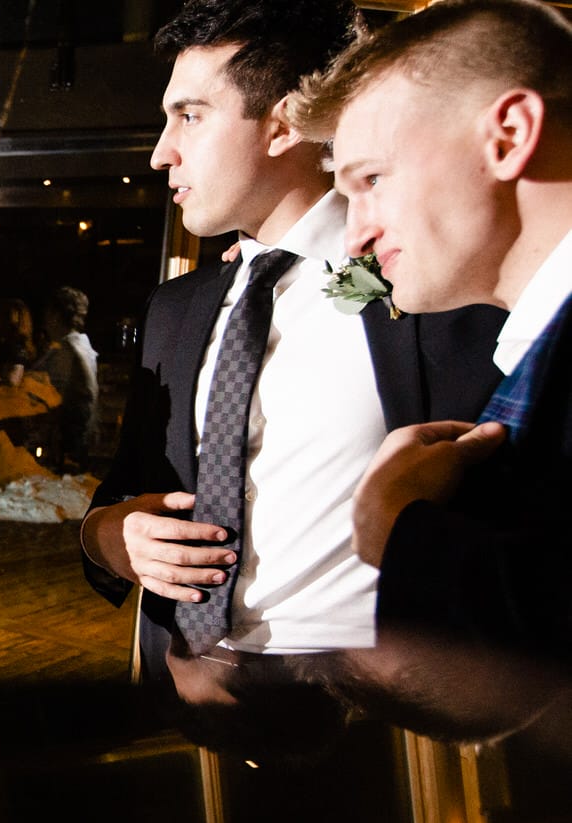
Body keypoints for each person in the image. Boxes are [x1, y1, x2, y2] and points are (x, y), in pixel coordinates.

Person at [79, 0, 506, 736]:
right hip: (183, 693)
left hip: (378, 727)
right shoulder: (175, 311)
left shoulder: (436, 286)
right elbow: (123, 493)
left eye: (189, 117)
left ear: (282, 124)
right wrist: (110, 537)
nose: (160, 152)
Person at [287, 0, 572, 692]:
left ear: (508, 135)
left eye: (372, 180)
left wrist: (400, 531)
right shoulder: (538, 356)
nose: (354, 239)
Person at [29, 285, 99, 470]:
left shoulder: (66, 351)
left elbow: (51, 397)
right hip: (78, 439)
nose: (44, 322)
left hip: (63, 444)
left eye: (48, 315)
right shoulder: (83, 346)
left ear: (56, 316)